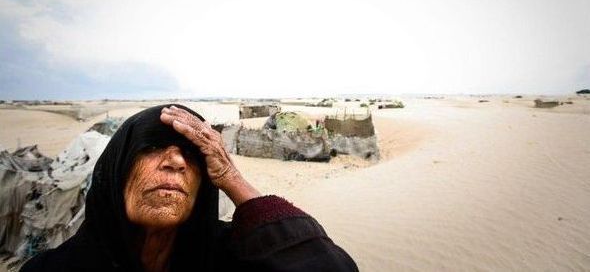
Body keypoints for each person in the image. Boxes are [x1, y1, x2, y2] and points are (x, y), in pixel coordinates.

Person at [21, 104, 358, 271]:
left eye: (193, 155)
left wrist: (231, 176)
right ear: (117, 171)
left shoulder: (233, 260)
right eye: (151, 147)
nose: (176, 161)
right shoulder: (53, 270)